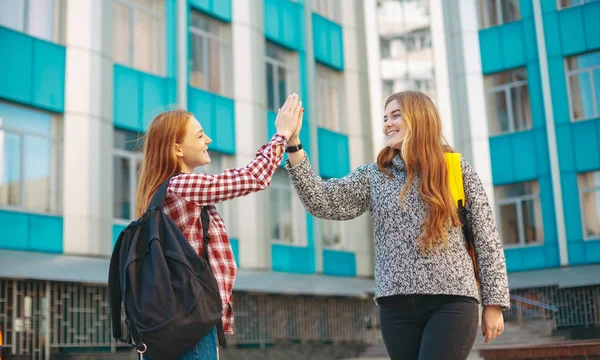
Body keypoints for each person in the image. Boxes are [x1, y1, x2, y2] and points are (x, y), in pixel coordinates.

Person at [285, 91, 510, 360]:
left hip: (451, 301)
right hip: (395, 306)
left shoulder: (455, 169)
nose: (387, 123)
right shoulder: (375, 175)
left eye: (395, 115)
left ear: (420, 119)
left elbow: (487, 237)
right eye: (384, 118)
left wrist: (493, 303)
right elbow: (322, 201)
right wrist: (294, 144)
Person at [135, 94, 302, 359]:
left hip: (167, 327)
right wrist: (282, 133)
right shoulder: (181, 187)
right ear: (177, 149)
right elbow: (253, 177)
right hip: (190, 324)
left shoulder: (159, 193)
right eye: (199, 135)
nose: (208, 140)